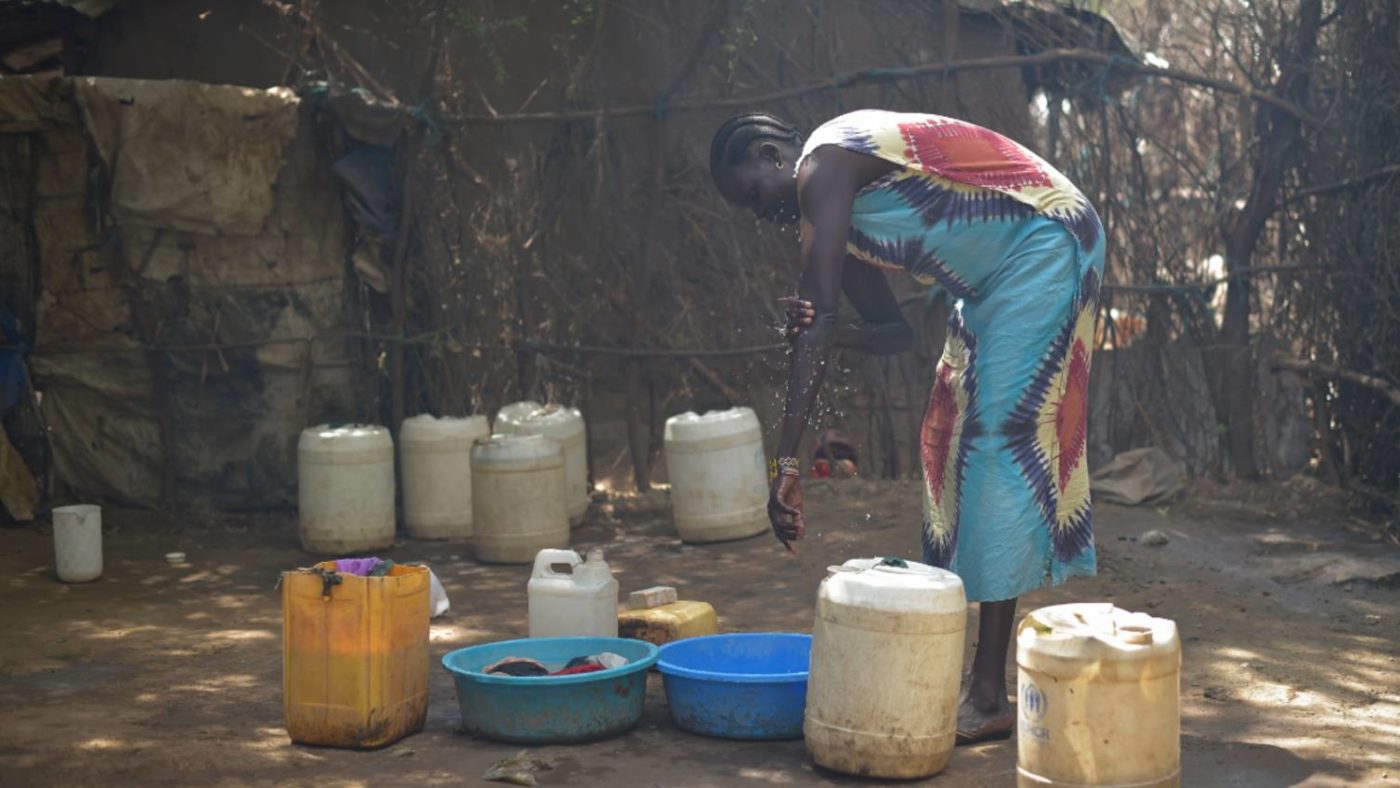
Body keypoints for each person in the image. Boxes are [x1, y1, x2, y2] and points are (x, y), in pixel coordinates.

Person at [709, 109, 1104, 744]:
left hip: (1046, 239)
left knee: (996, 443)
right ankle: (958, 665)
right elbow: (891, 334)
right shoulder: (840, 213)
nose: (760, 215)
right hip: (993, 280)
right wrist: (830, 332)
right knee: (948, 443)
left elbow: (822, 316)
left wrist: (785, 465)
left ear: (770, 153)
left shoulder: (824, 163)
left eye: (754, 194)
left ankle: (987, 693)